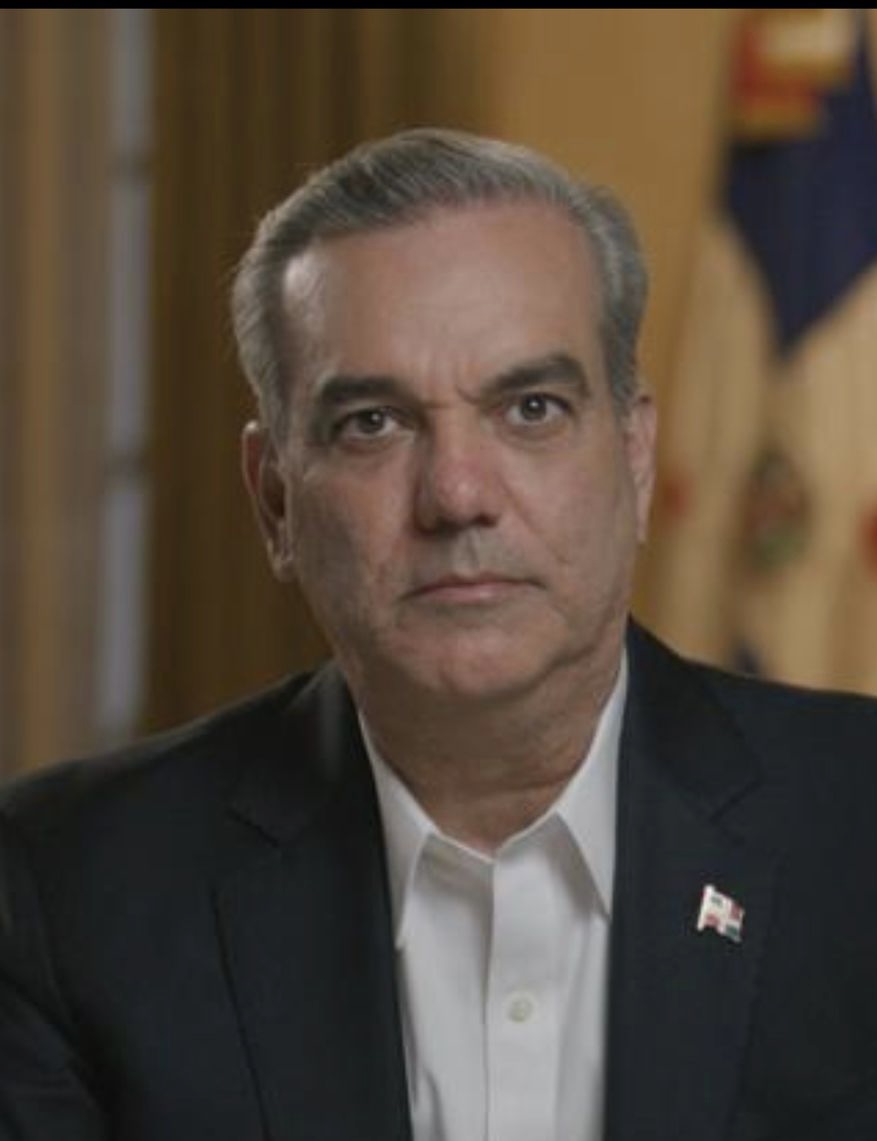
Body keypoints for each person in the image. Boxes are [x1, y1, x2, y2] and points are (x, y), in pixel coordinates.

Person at [1, 128, 876, 1141]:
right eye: (372, 423)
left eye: (531, 408)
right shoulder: (65, 893)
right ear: (275, 501)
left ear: (636, 460)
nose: (457, 495)